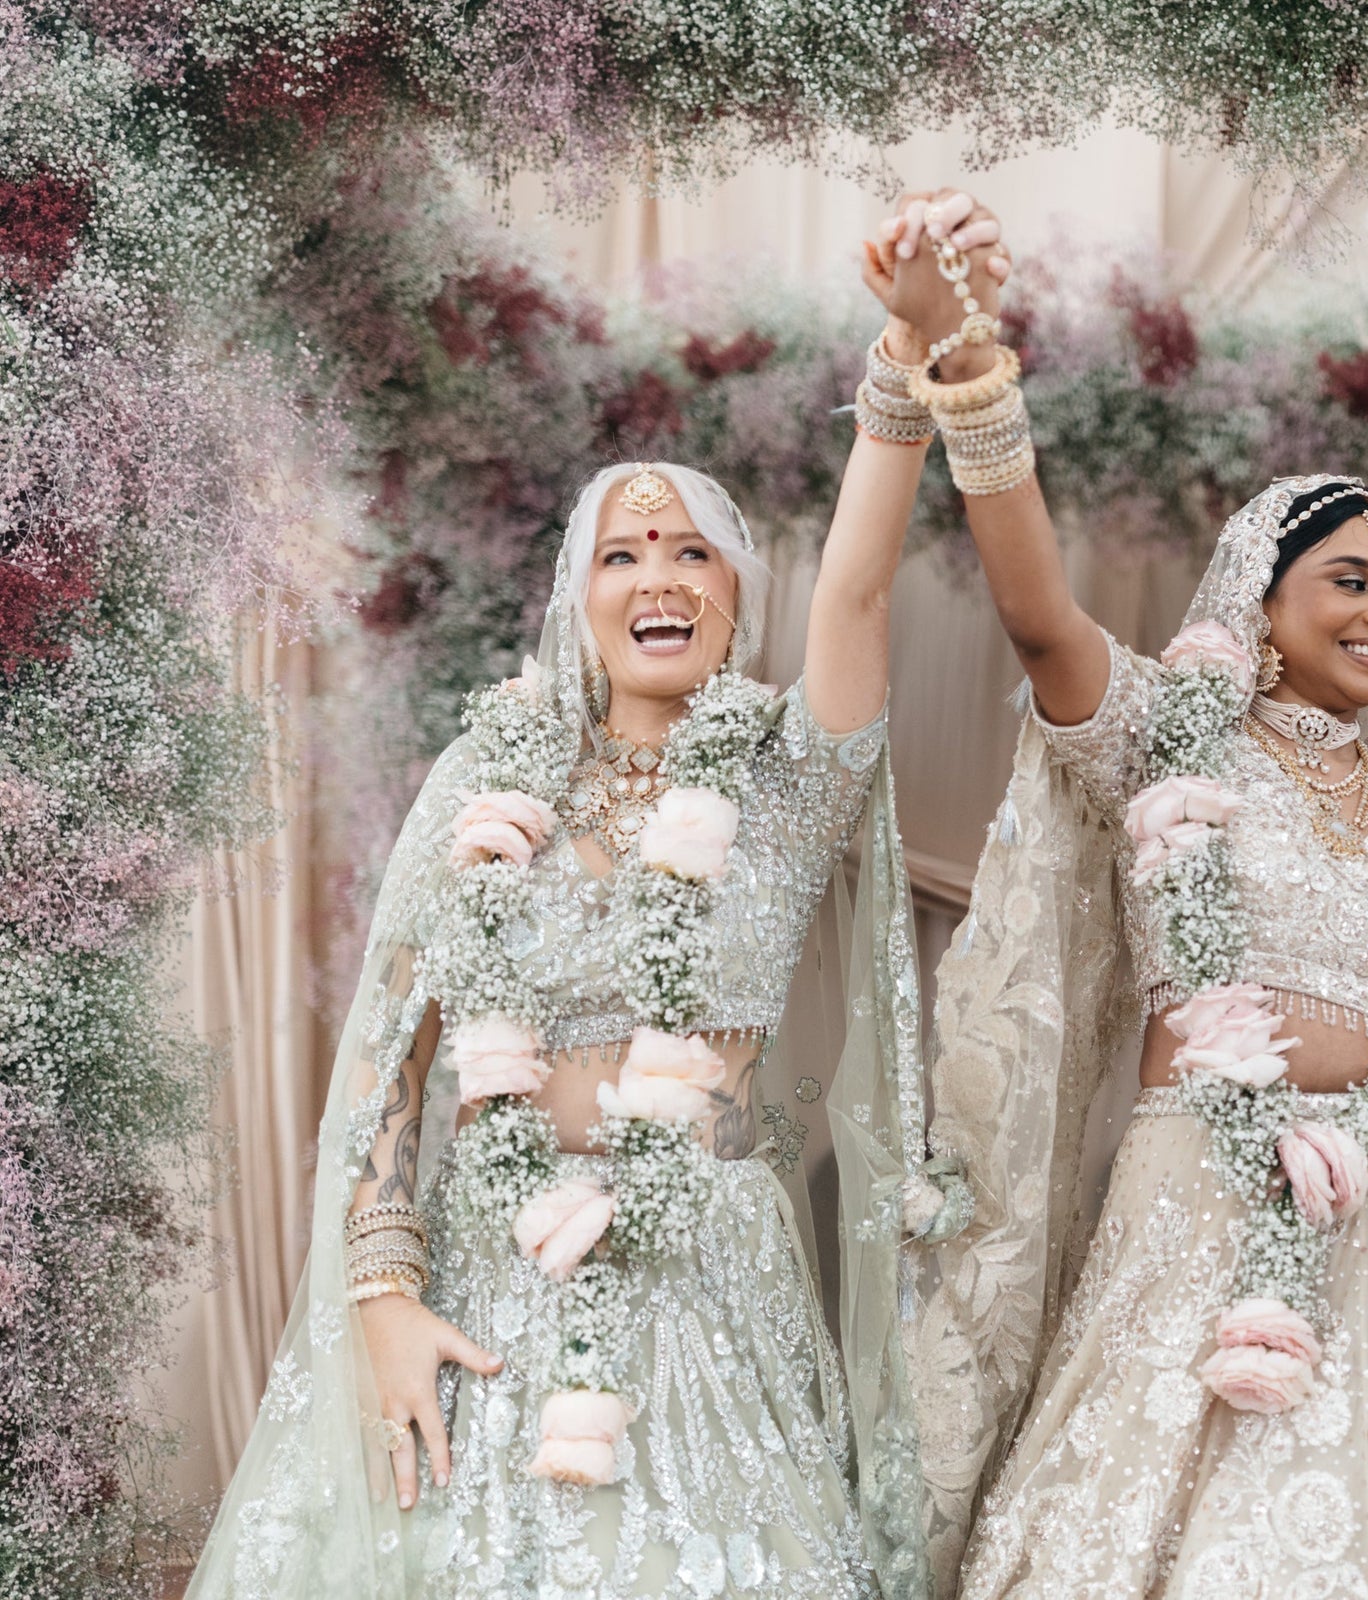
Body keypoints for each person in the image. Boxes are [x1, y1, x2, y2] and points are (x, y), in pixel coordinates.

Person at [187, 194, 1008, 1598]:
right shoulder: (488, 779)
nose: (657, 577)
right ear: (580, 604)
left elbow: (859, 598)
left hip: (703, 1277)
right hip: (492, 1271)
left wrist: (903, 356)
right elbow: (393, 1055)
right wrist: (383, 1297)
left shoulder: (784, 780)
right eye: (620, 557)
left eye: (691, 551)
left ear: (737, 597)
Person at [878, 190, 1368, 1598]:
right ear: (1262, 601)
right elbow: (1041, 619)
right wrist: (969, 369)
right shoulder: (1174, 747)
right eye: (1349, 578)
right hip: (1202, 1207)